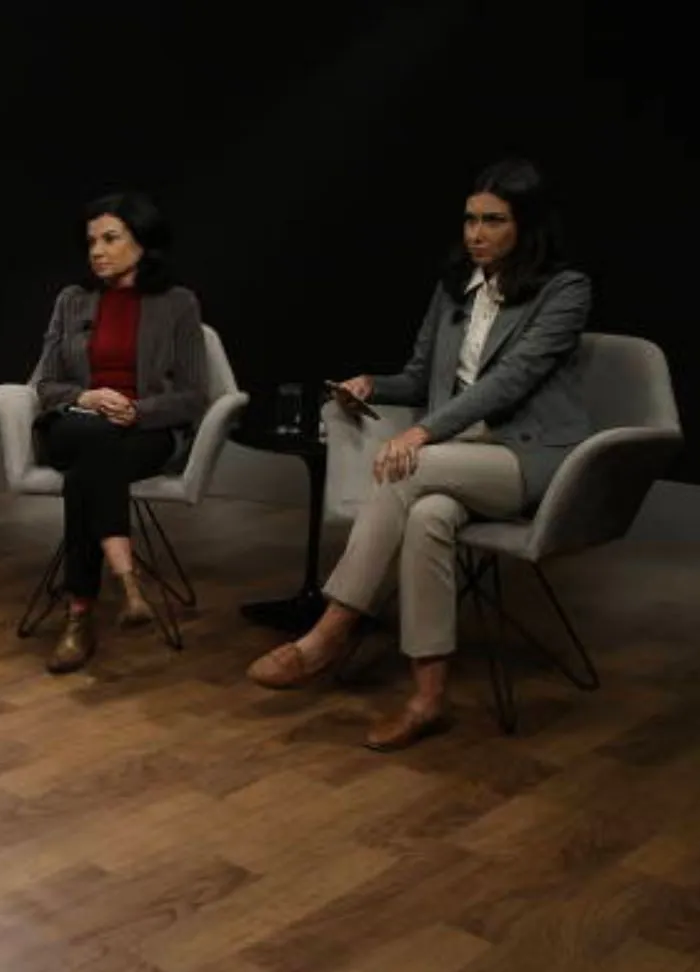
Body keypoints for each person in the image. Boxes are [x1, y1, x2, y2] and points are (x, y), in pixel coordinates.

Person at [247, 159, 593, 750]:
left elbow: (509, 381)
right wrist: (371, 386)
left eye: (494, 221)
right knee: (429, 516)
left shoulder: (565, 290)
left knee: (404, 469)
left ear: (527, 226)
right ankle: (428, 699)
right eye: (470, 219)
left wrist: (422, 434)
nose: (476, 233)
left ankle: (331, 630)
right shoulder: (454, 287)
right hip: (460, 453)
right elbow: (419, 377)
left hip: (529, 457)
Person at [29, 192, 208, 674]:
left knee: (88, 471)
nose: (97, 251)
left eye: (110, 239)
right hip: (73, 423)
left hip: (142, 430)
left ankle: (79, 613)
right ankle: (126, 579)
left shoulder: (178, 304)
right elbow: (45, 384)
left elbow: (194, 395)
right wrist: (86, 398)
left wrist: (137, 409)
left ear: (143, 243)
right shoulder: (72, 300)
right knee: (93, 438)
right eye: (91, 242)